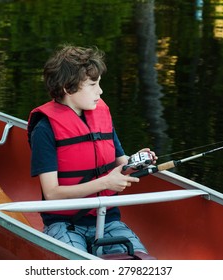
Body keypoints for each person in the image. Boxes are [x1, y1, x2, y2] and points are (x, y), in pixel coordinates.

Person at [27, 45, 157, 256]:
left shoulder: (100, 116)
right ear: (68, 89)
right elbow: (51, 193)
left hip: (107, 219)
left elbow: (121, 163)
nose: (100, 91)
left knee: (140, 263)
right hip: (63, 223)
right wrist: (106, 182)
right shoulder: (45, 130)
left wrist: (136, 162)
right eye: (93, 84)